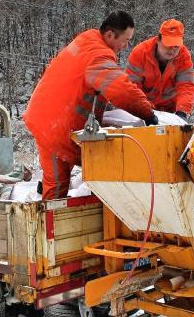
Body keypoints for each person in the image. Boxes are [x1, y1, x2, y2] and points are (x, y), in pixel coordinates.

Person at [23, 11, 158, 200]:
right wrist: (148, 113)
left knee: (57, 183)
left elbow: (87, 85)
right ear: (110, 35)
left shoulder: (87, 39)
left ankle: (54, 221)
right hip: (55, 127)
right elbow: (121, 89)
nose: (127, 45)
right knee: (63, 185)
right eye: (126, 40)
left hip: (47, 117)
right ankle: (55, 224)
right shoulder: (98, 55)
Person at [125, 18, 194, 121]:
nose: (172, 50)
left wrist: (182, 112)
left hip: (170, 112)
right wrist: (144, 111)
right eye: (168, 45)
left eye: (176, 47)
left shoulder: (184, 56)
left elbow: (186, 86)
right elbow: (132, 86)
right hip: (143, 107)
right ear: (158, 40)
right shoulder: (140, 53)